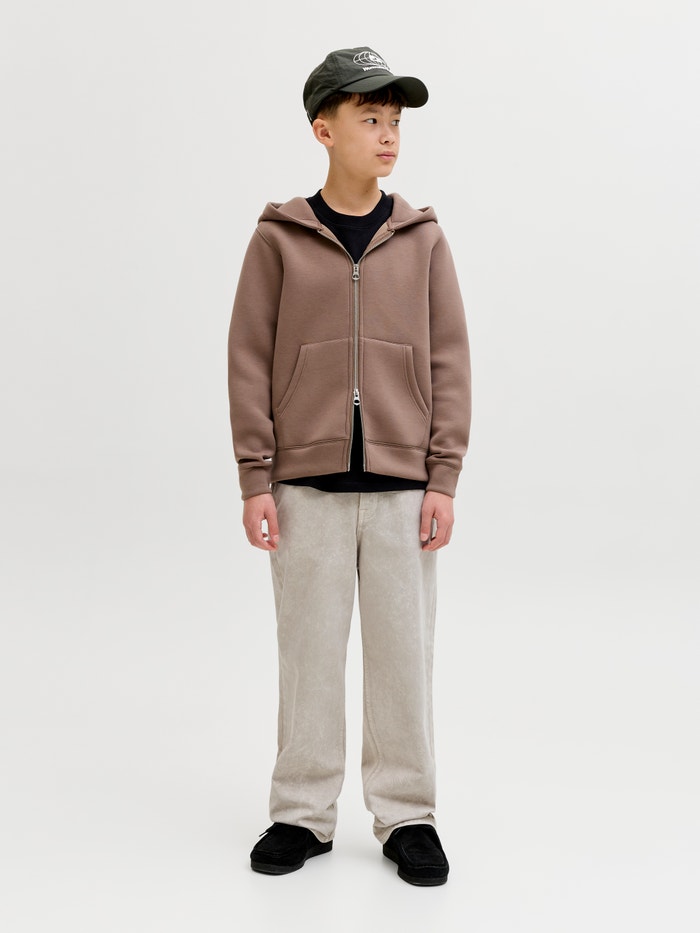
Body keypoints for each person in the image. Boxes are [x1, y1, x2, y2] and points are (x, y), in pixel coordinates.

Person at [227, 46, 471, 886]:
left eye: (395, 121)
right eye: (370, 119)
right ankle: (302, 811)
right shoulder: (280, 239)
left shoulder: (422, 238)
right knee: (309, 654)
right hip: (305, 486)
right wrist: (256, 477)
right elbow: (248, 358)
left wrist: (443, 477)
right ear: (323, 130)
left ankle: (408, 814)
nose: (388, 135)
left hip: (404, 488)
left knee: (403, 657)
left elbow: (449, 360)